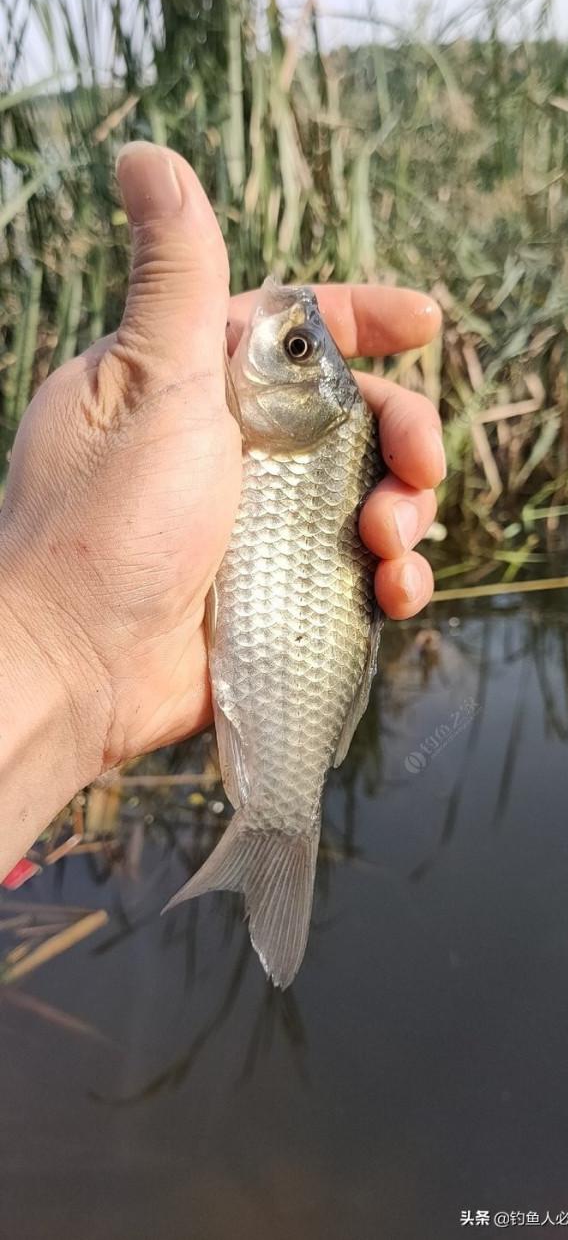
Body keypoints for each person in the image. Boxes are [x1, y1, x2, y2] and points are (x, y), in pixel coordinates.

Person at [0, 142, 445, 877]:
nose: (285, 333)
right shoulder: (256, 421)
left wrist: (61, 652)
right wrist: (58, 637)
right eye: (303, 346)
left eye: (294, 347)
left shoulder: (297, 434)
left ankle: (279, 823)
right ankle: (278, 826)